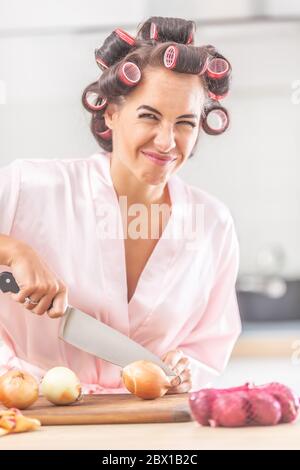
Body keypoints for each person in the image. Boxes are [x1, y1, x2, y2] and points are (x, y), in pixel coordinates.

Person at [0, 16, 241, 395]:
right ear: (111, 113)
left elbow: (210, 342)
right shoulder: (30, 187)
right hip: (32, 417)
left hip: (150, 427)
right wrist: (14, 250)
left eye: (185, 123)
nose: (166, 141)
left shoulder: (213, 224)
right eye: (149, 116)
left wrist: (184, 366)